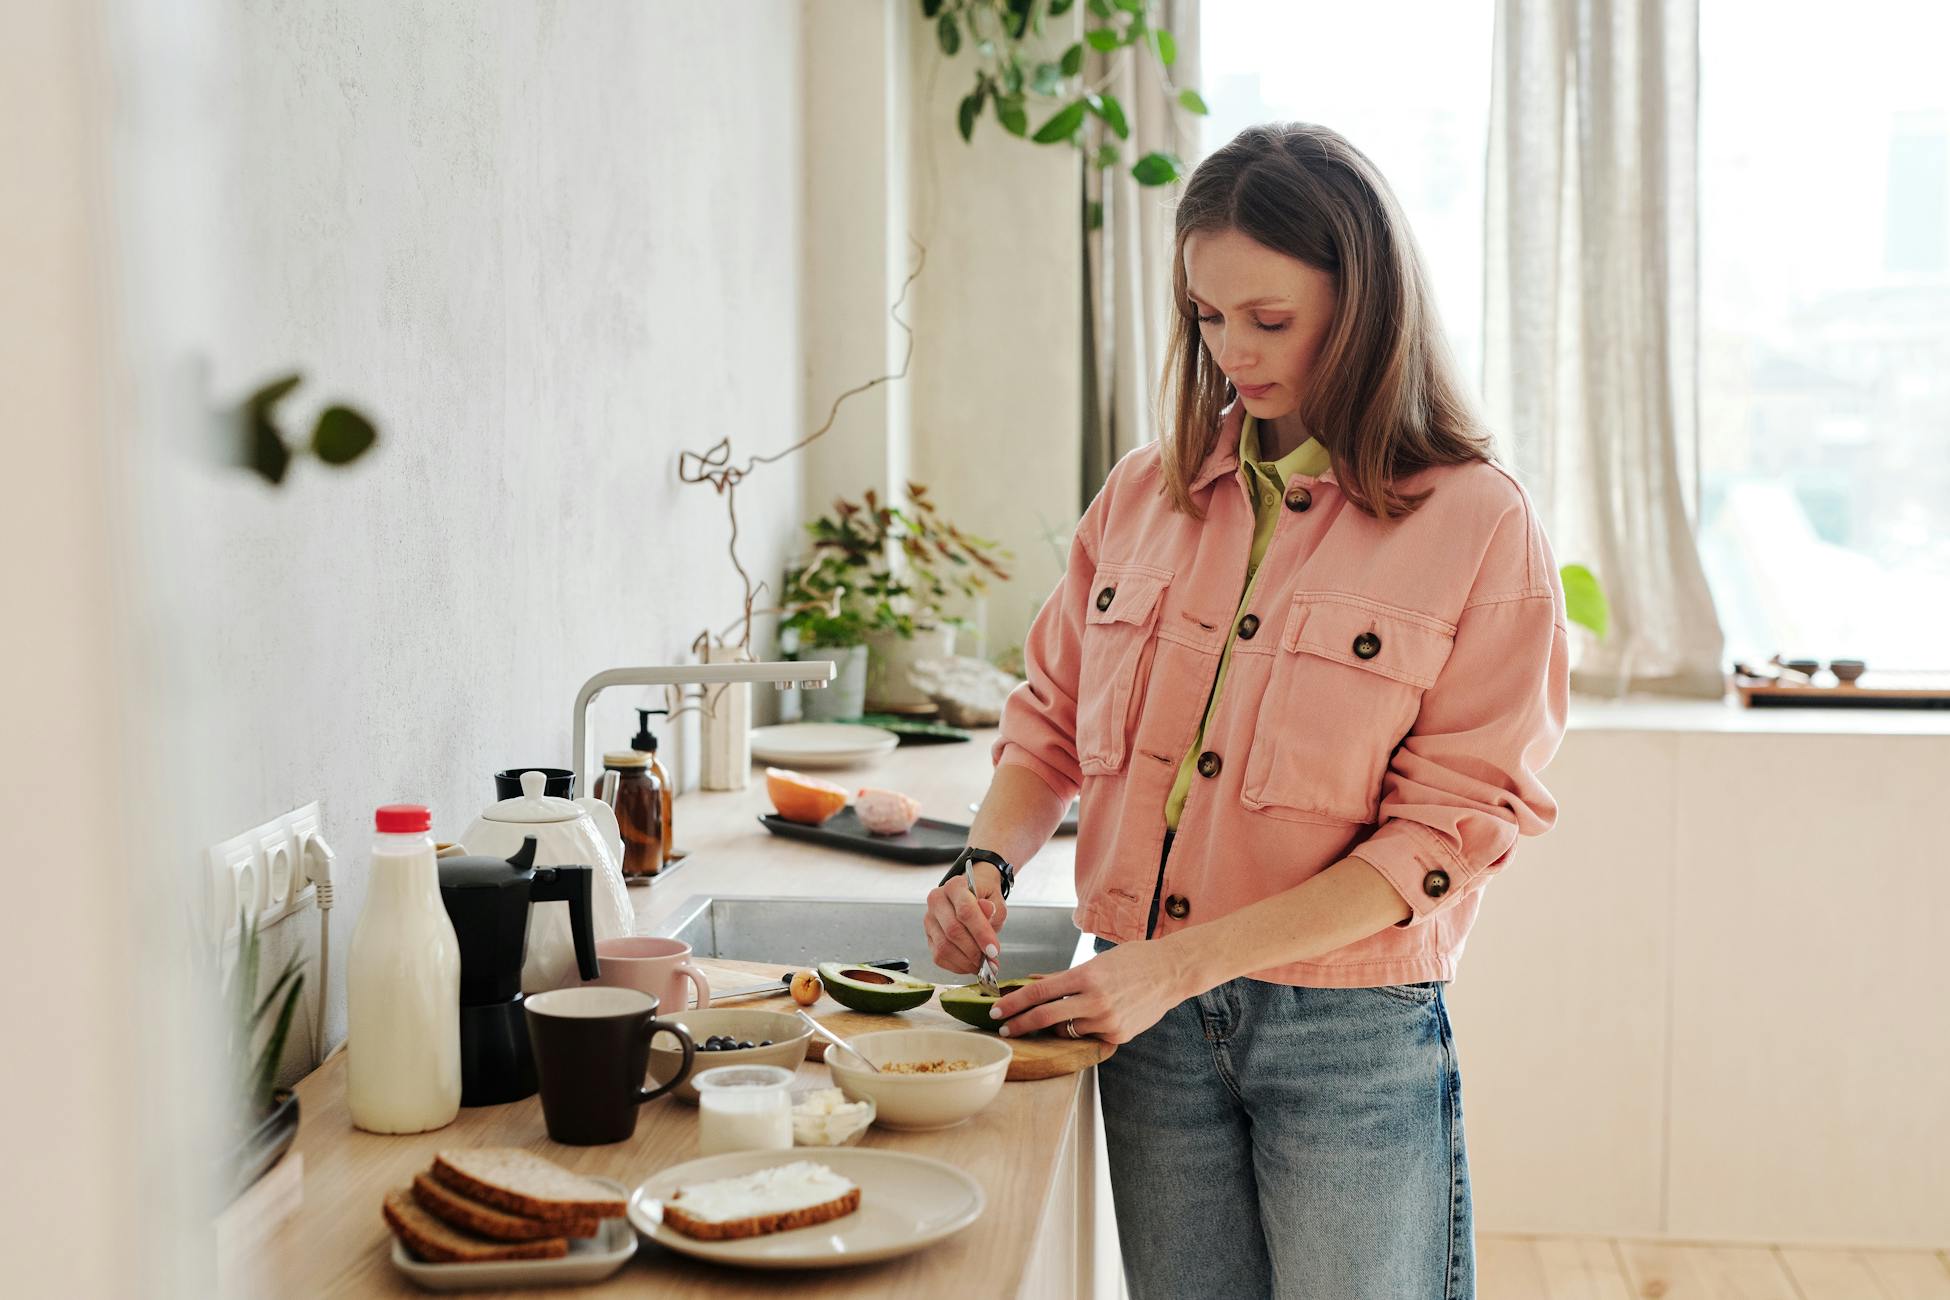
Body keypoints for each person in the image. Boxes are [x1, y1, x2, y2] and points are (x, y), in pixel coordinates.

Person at [925, 122, 1570, 1300]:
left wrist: (1176, 966)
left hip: (1349, 1036)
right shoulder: (1142, 494)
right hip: (1146, 1033)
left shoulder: (1477, 524)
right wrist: (986, 860)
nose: (1231, 353)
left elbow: (1447, 839)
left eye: (1268, 320)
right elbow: (1050, 724)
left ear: (1365, 303)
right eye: (1207, 318)